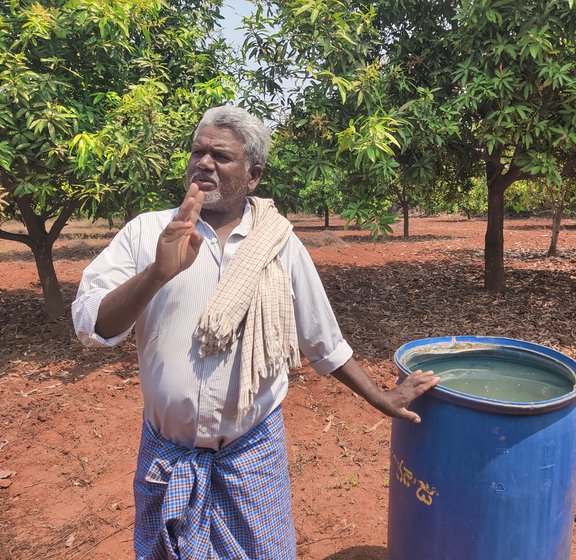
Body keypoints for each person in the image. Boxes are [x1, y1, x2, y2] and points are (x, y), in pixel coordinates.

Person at [72, 105, 439, 560]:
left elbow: (323, 341)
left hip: (250, 460)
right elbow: (92, 325)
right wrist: (156, 273)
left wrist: (382, 398)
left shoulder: (280, 244)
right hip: (167, 457)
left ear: (253, 175)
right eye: (197, 152)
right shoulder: (147, 232)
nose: (203, 163)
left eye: (220, 157)